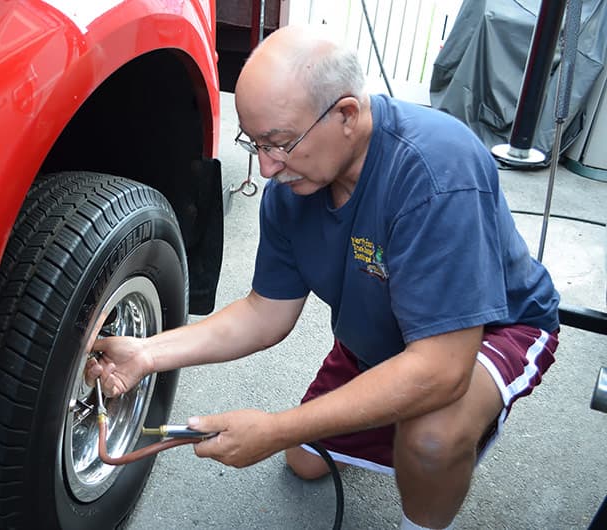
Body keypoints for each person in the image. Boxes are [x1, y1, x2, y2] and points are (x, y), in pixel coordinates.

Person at [86, 24, 560, 530]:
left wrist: (276, 428)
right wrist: (148, 353)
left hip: (490, 329)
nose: (267, 169)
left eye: (281, 143)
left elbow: (440, 369)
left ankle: (434, 490)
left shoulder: (436, 174)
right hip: (388, 330)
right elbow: (264, 312)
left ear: (347, 114)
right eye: (255, 143)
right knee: (304, 459)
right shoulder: (293, 190)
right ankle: (386, 385)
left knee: (430, 441)